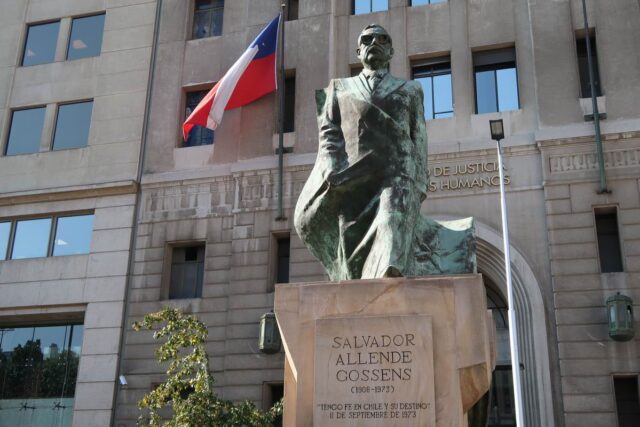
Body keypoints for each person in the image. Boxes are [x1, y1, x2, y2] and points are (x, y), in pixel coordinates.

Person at [294, 24, 474, 280]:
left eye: (382, 39)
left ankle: (388, 280)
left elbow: (418, 136)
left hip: (397, 172)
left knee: (391, 221)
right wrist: (331, 165)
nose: (374, 43)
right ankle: (366, 290)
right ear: (358, 51)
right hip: (353, 176)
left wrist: (420, 180)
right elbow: (329, 132)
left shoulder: (410, 89)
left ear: (391, 52)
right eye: (367, 39)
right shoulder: (339, 88)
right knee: (350, 246)